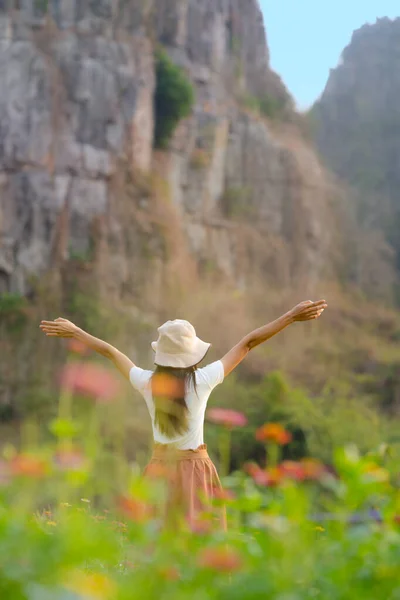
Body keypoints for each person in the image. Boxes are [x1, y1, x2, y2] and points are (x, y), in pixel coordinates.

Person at [40, 299, 327, 528]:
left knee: (156, 548)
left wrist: (76, 332)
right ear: (192, 355)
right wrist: (290, 316)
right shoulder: (202, 380)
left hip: (159, 471)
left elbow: (112, 352)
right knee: (199, 549)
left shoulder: (148, 383)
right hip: (196, 471)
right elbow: (248, 342)